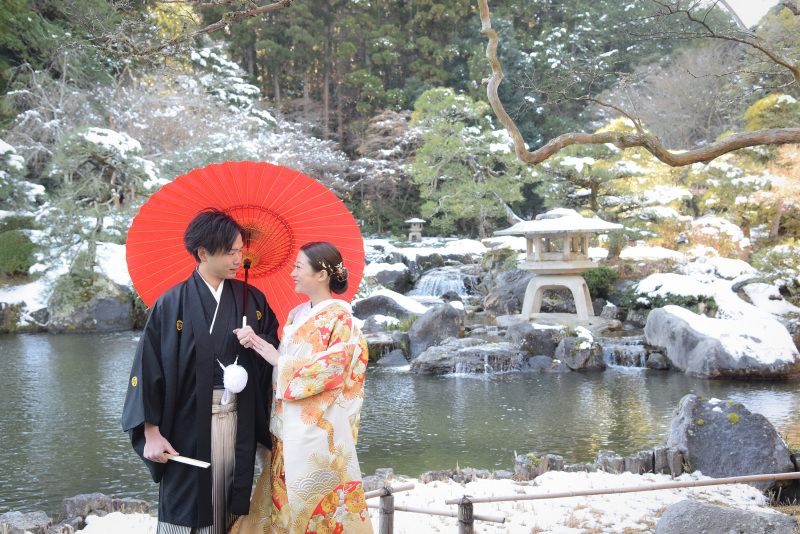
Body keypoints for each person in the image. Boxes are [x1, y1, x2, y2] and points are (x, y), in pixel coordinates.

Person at [122, 207, 280, 534]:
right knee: (184, 507)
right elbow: (147, 368)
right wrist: (150, 431)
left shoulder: (253, 299)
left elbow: (277, 351)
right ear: (203, 253)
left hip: (238, 420)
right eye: (230, 252)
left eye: (240, 251)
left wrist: (258, 341)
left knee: (230, 503)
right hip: (185, 423)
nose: (239, 259)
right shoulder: (172, 303)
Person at [245, 241, 373, 534]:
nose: (293, 273)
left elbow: (333, 371)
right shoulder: (296, 314)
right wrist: (258, 345)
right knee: (283, 506)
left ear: (322, 275)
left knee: (316, 511)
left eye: (298, 267)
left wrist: (282, 362)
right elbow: (281, 361)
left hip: (317, 429)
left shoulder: (342, 318)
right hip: (286, 424)